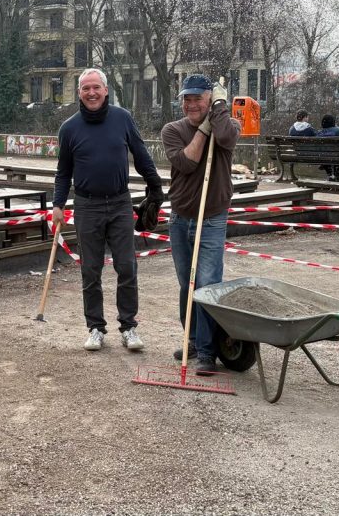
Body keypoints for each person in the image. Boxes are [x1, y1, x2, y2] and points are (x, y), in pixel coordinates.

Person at [51, 68, 165, 353]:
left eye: (96, 87)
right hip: (86, 205)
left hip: (119, 203)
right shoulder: (69, 128)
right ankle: (95, 328)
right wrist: (57, 205)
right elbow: (63, 172)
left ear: (105, 90)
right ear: (80, 93)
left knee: (127, 266)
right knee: (90, 269)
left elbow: (141, 154)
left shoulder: (122, 118)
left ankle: (128, 327)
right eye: (85, 88)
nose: (91, 93)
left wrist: (155, 186)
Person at [161, 74, 241, 375]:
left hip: (212, 218)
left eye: (198, 98)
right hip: (181, 218)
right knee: (188, 284)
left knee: (207, 284)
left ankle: (208, 351)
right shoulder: (172, 130)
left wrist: (219, 109)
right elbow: (187, 162)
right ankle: (192, 340)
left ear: (210, 99)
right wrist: (203, 130)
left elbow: (227, 139)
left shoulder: (228, 125)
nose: (191, 104)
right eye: (187, 98)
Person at [317, 114, 339, 181]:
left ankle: (332, 176)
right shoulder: (338, 130)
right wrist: (337, 128)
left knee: (331, 155)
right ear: (333, 122)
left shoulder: (319, 133)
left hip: (323, 157)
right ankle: (337, 176)